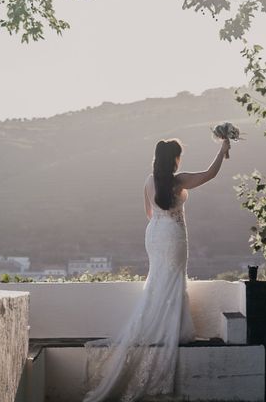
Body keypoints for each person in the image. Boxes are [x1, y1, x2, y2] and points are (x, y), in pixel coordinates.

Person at [83, 137, 231, 402]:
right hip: (174, 234)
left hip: (155, 234)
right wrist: (222, 149)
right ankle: (171, 329)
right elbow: (211, 173)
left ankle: (157, 327)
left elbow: (149, 214)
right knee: (173, 280)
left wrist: (163, 220)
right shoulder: (179, 180)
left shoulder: (148, 181)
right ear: (174, 158)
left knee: (159, 281)